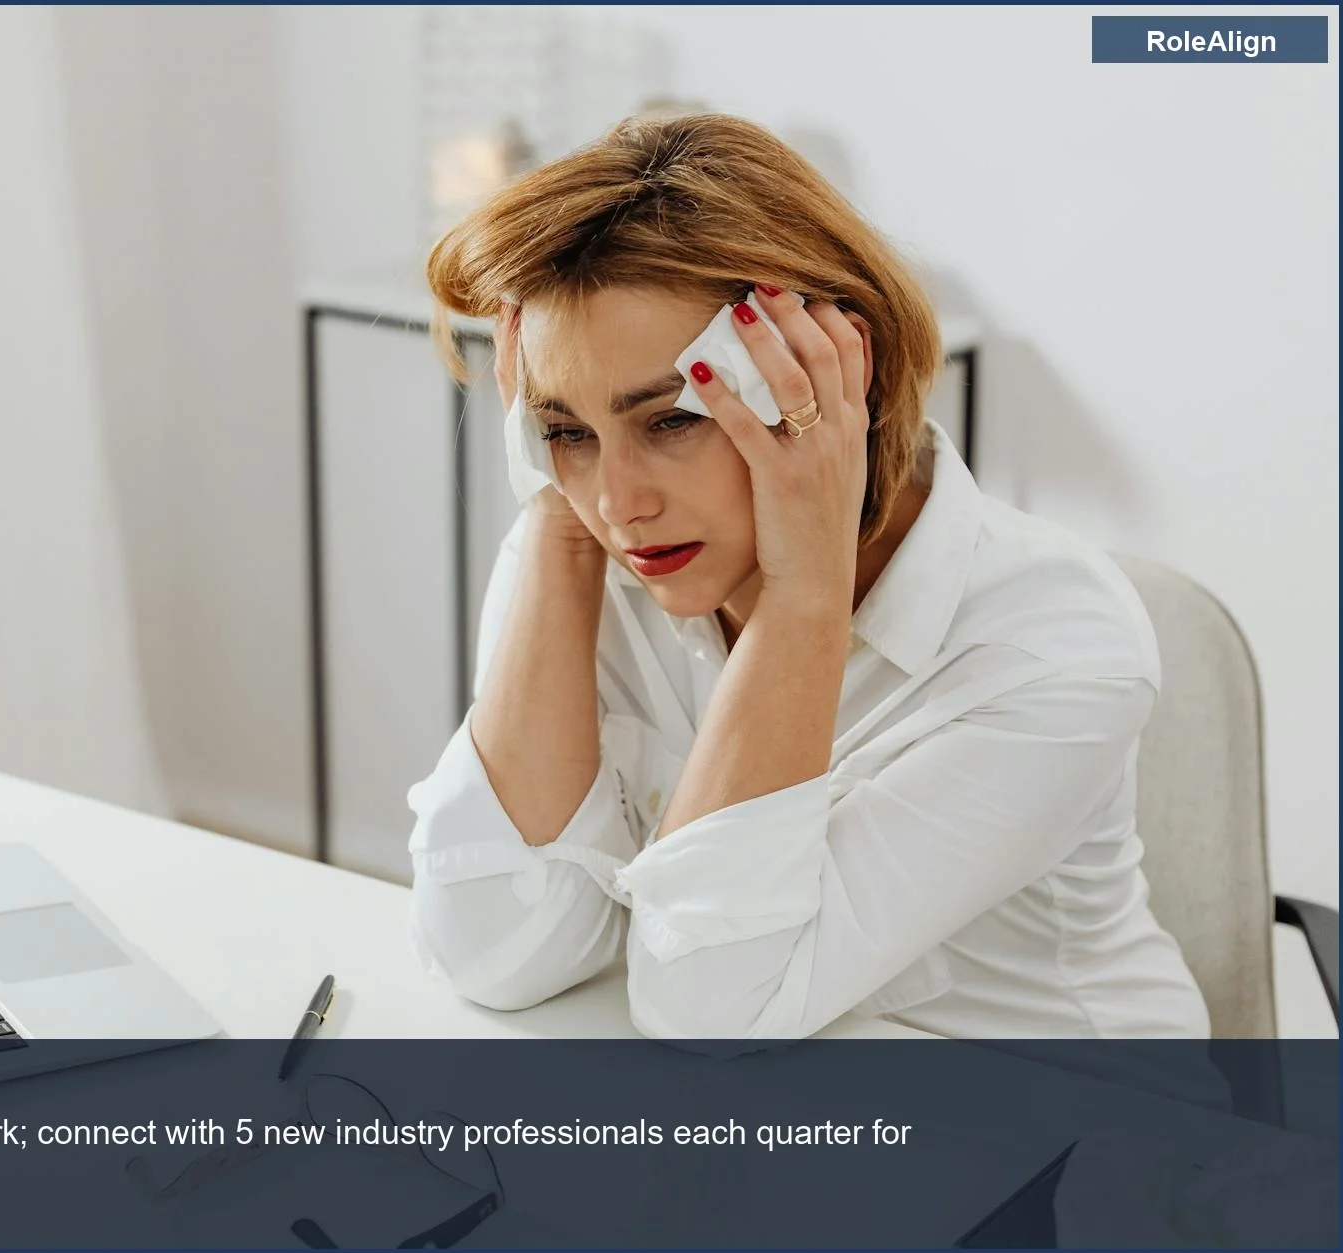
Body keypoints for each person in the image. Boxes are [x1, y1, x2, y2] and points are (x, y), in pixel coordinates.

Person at [405, 112, 1210, 1040]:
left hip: (1081, 1145)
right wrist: (555, 514)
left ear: (826, 373)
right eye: (568, 430)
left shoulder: (1054, 645)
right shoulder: (586, 549)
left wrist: (804, 594)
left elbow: (708, 1010)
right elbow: (495, 954)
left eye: (671, 420)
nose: (618, 502)